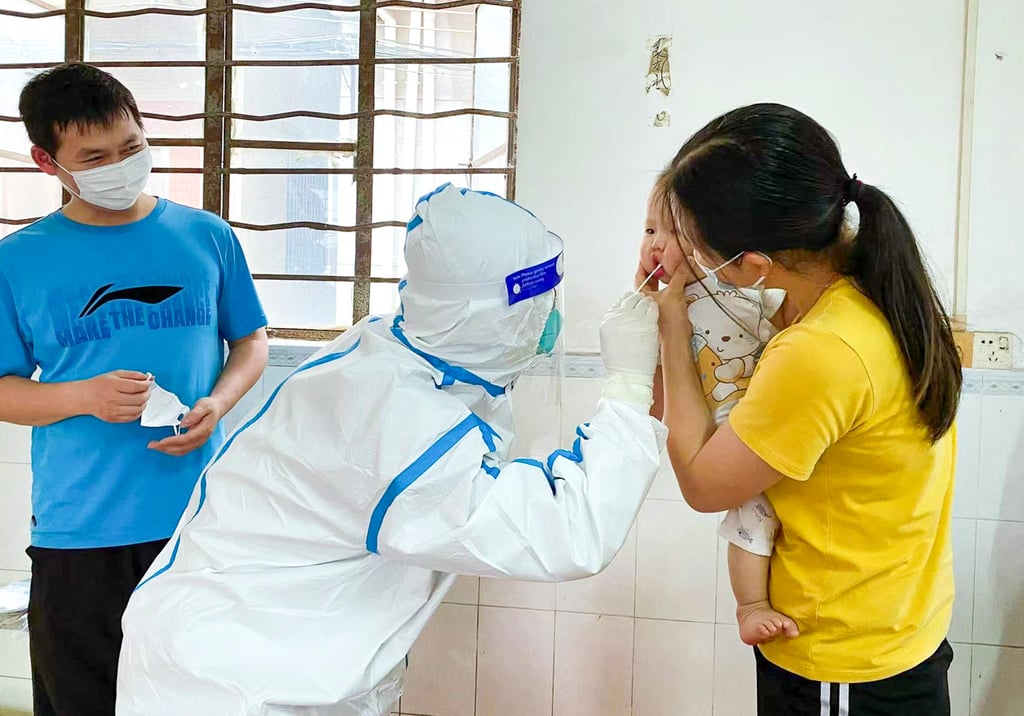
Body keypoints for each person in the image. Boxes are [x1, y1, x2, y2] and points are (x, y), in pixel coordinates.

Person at [115, 183, 666, 716]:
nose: (549, 322)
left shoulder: (397, 347)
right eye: (536, 305)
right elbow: (567, 531)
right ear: (489, 317)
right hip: (231, 681)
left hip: (263, 646)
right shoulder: (389, 420)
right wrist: (628, 385)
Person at [648, 103, 961, 715]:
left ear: (754, 265)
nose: (679, 254)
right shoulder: (863, 287)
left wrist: (670, 320)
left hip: (841, 660)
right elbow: (684, 409)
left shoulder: (820, 352)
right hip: (894, 626)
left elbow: (705, 484)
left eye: (693, 242)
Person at [0, 63, 269, 716]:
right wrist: (81, 396)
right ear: (47, 161)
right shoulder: (20, 259)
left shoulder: (205, 235)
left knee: (202, 702)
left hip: (199, 527)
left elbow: (251, 341)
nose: (119, 166)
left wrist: (219, 402)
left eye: (131, 147)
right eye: (94, 157)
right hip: (80, 534)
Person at [637, 185, 798, 647]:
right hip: (715, 436)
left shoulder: (750, 292)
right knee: (752, 516)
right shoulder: (658, 305)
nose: (655, 244)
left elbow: (792, 329)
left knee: (770, 514)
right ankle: (750, 605)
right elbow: (653, 399)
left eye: (673, 233)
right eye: (649, 230)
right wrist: (645, 299)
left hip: (761, 424)